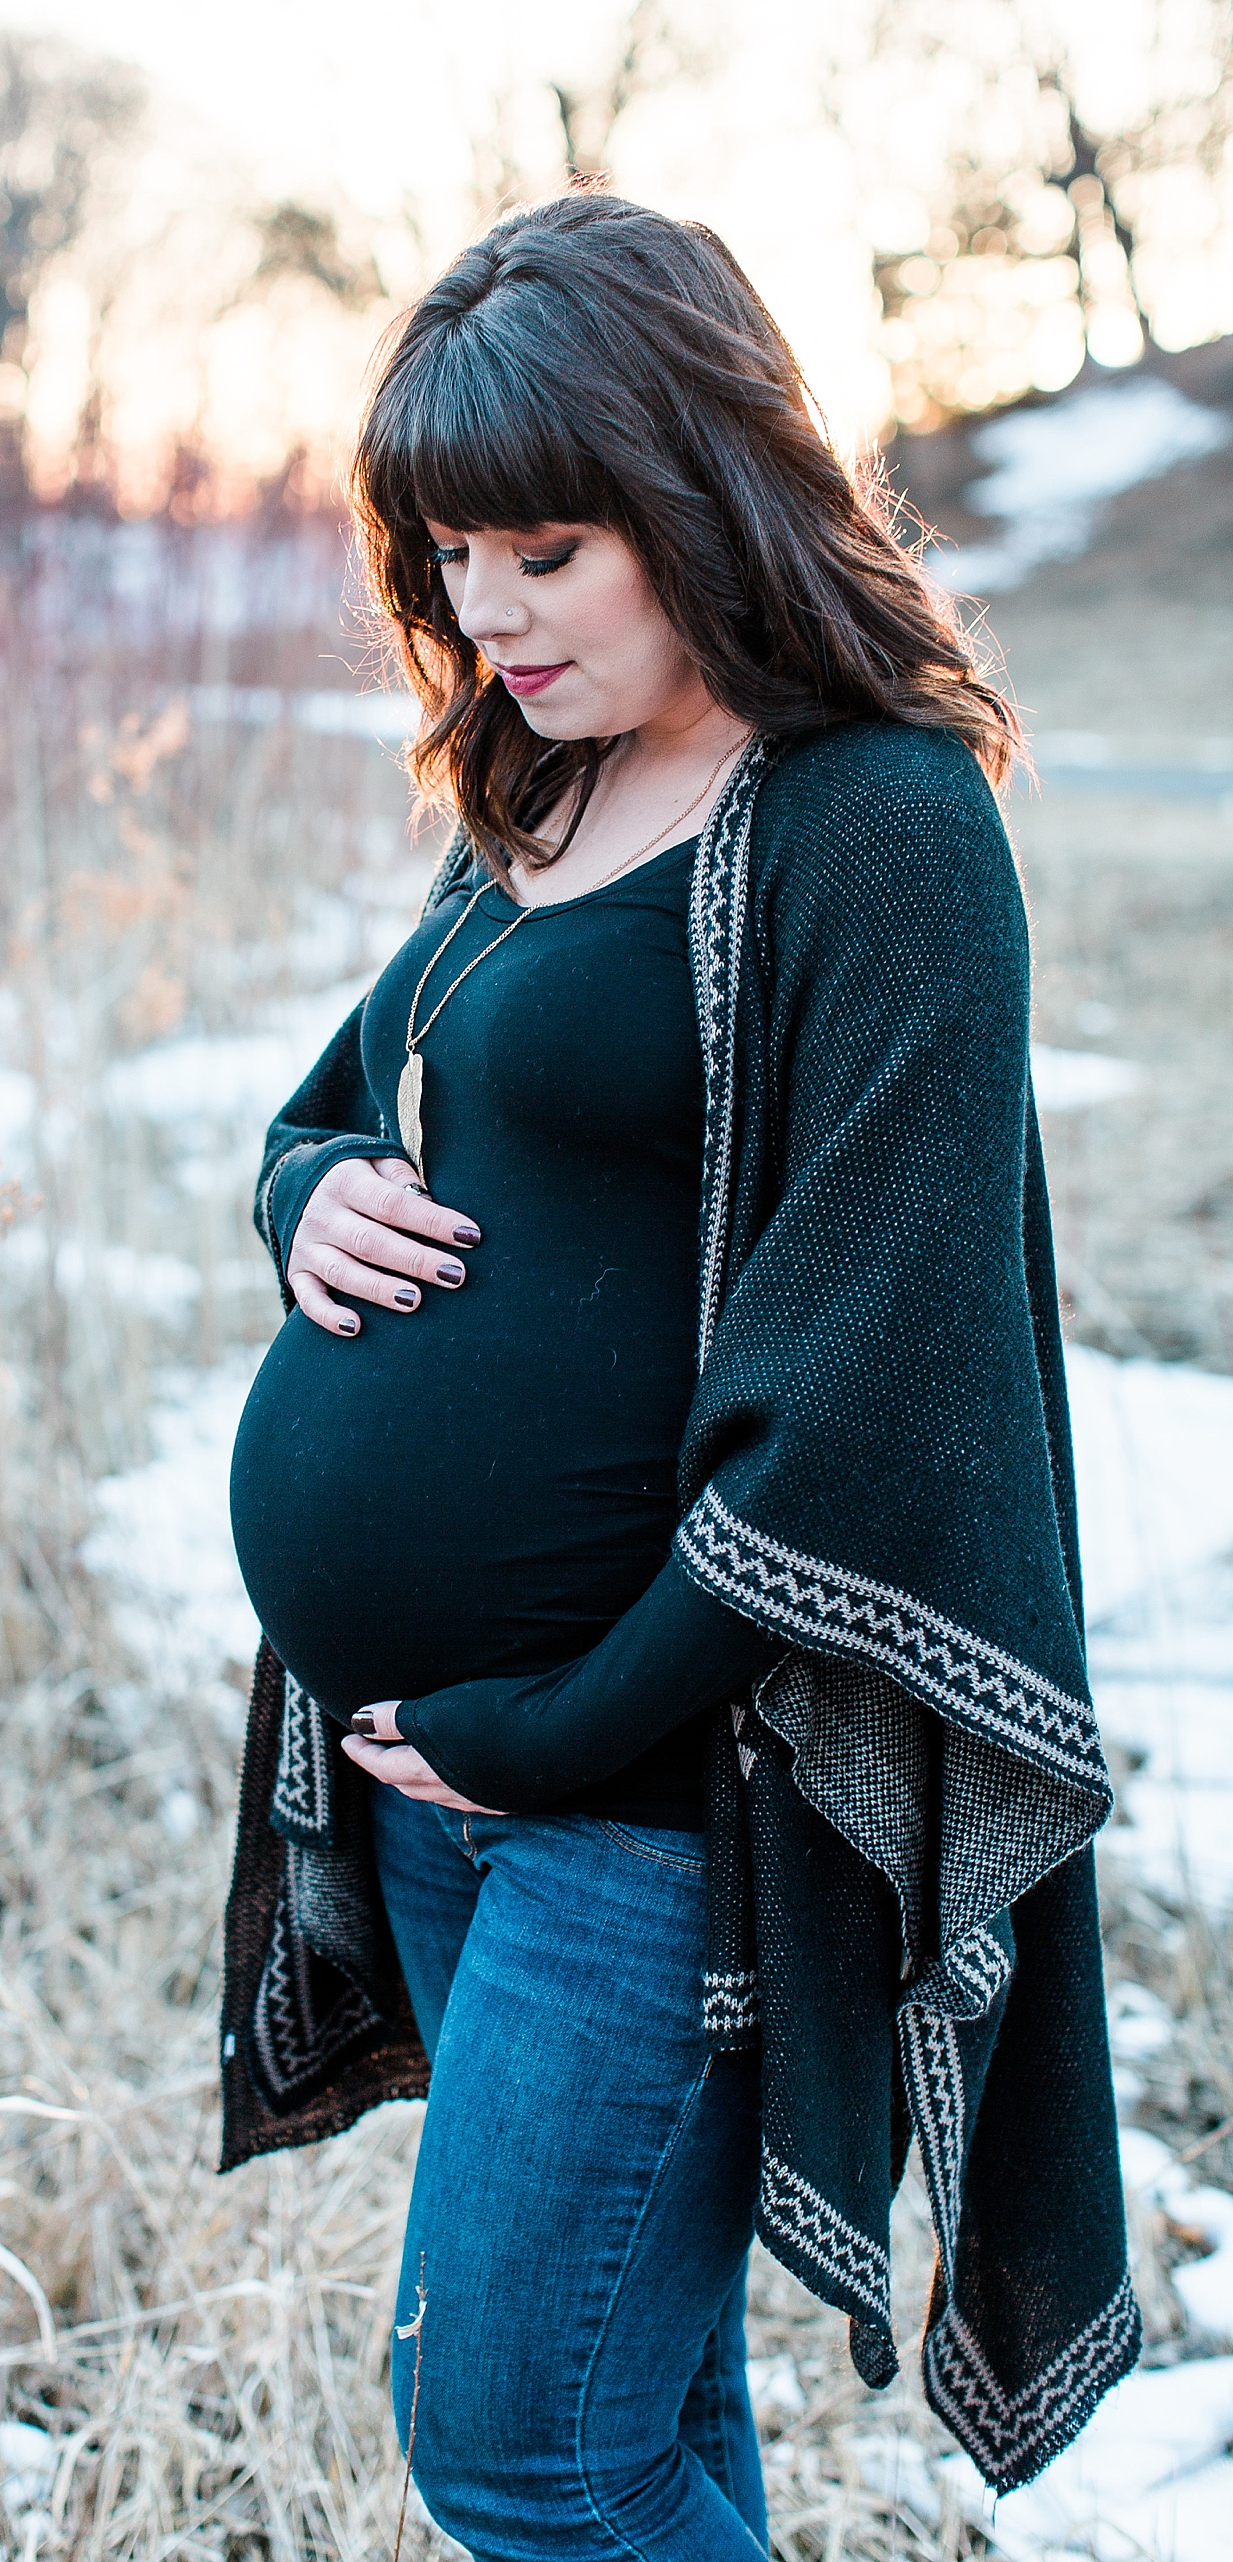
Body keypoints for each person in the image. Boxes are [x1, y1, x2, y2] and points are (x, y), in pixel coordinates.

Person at [219, 191, 1134, 2562]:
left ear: (707, 488)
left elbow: (867, 1399)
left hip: (653, 1796)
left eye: (543, 546)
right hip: (450, 1777)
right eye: (446, 555)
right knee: (632, 2418)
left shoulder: (875, 822)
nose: (487, 614)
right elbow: (359, 1080)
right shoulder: (540, 783)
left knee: (518, 2442)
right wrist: (299, 1183)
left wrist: (545, 1728)